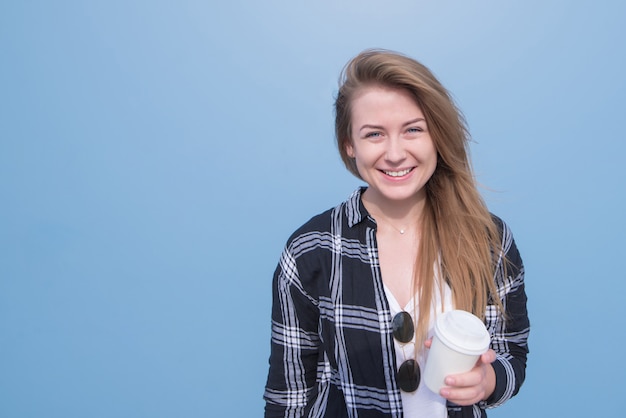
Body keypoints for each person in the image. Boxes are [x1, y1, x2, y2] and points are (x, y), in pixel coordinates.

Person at [264, 49, 529, 418]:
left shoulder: (488, 240)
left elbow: (511, 354)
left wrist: (489, 381)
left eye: (413, 130)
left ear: (437, 134)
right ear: (349, 145)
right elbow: (288, 400)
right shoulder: (310, 251)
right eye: (374, 134)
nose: (394, 153)